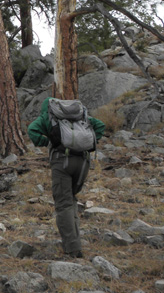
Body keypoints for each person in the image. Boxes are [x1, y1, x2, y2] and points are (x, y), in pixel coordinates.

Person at [27, 97, 105, 259]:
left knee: (63, 203)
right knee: (71, 198)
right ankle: (75, 239)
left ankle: (72, 247)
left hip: (62, 162)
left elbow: (32, 130)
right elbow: (100, 126)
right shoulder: (79, 115)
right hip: (83, 163)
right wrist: (87, 143)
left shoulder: (48, 116)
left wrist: (47, 142)